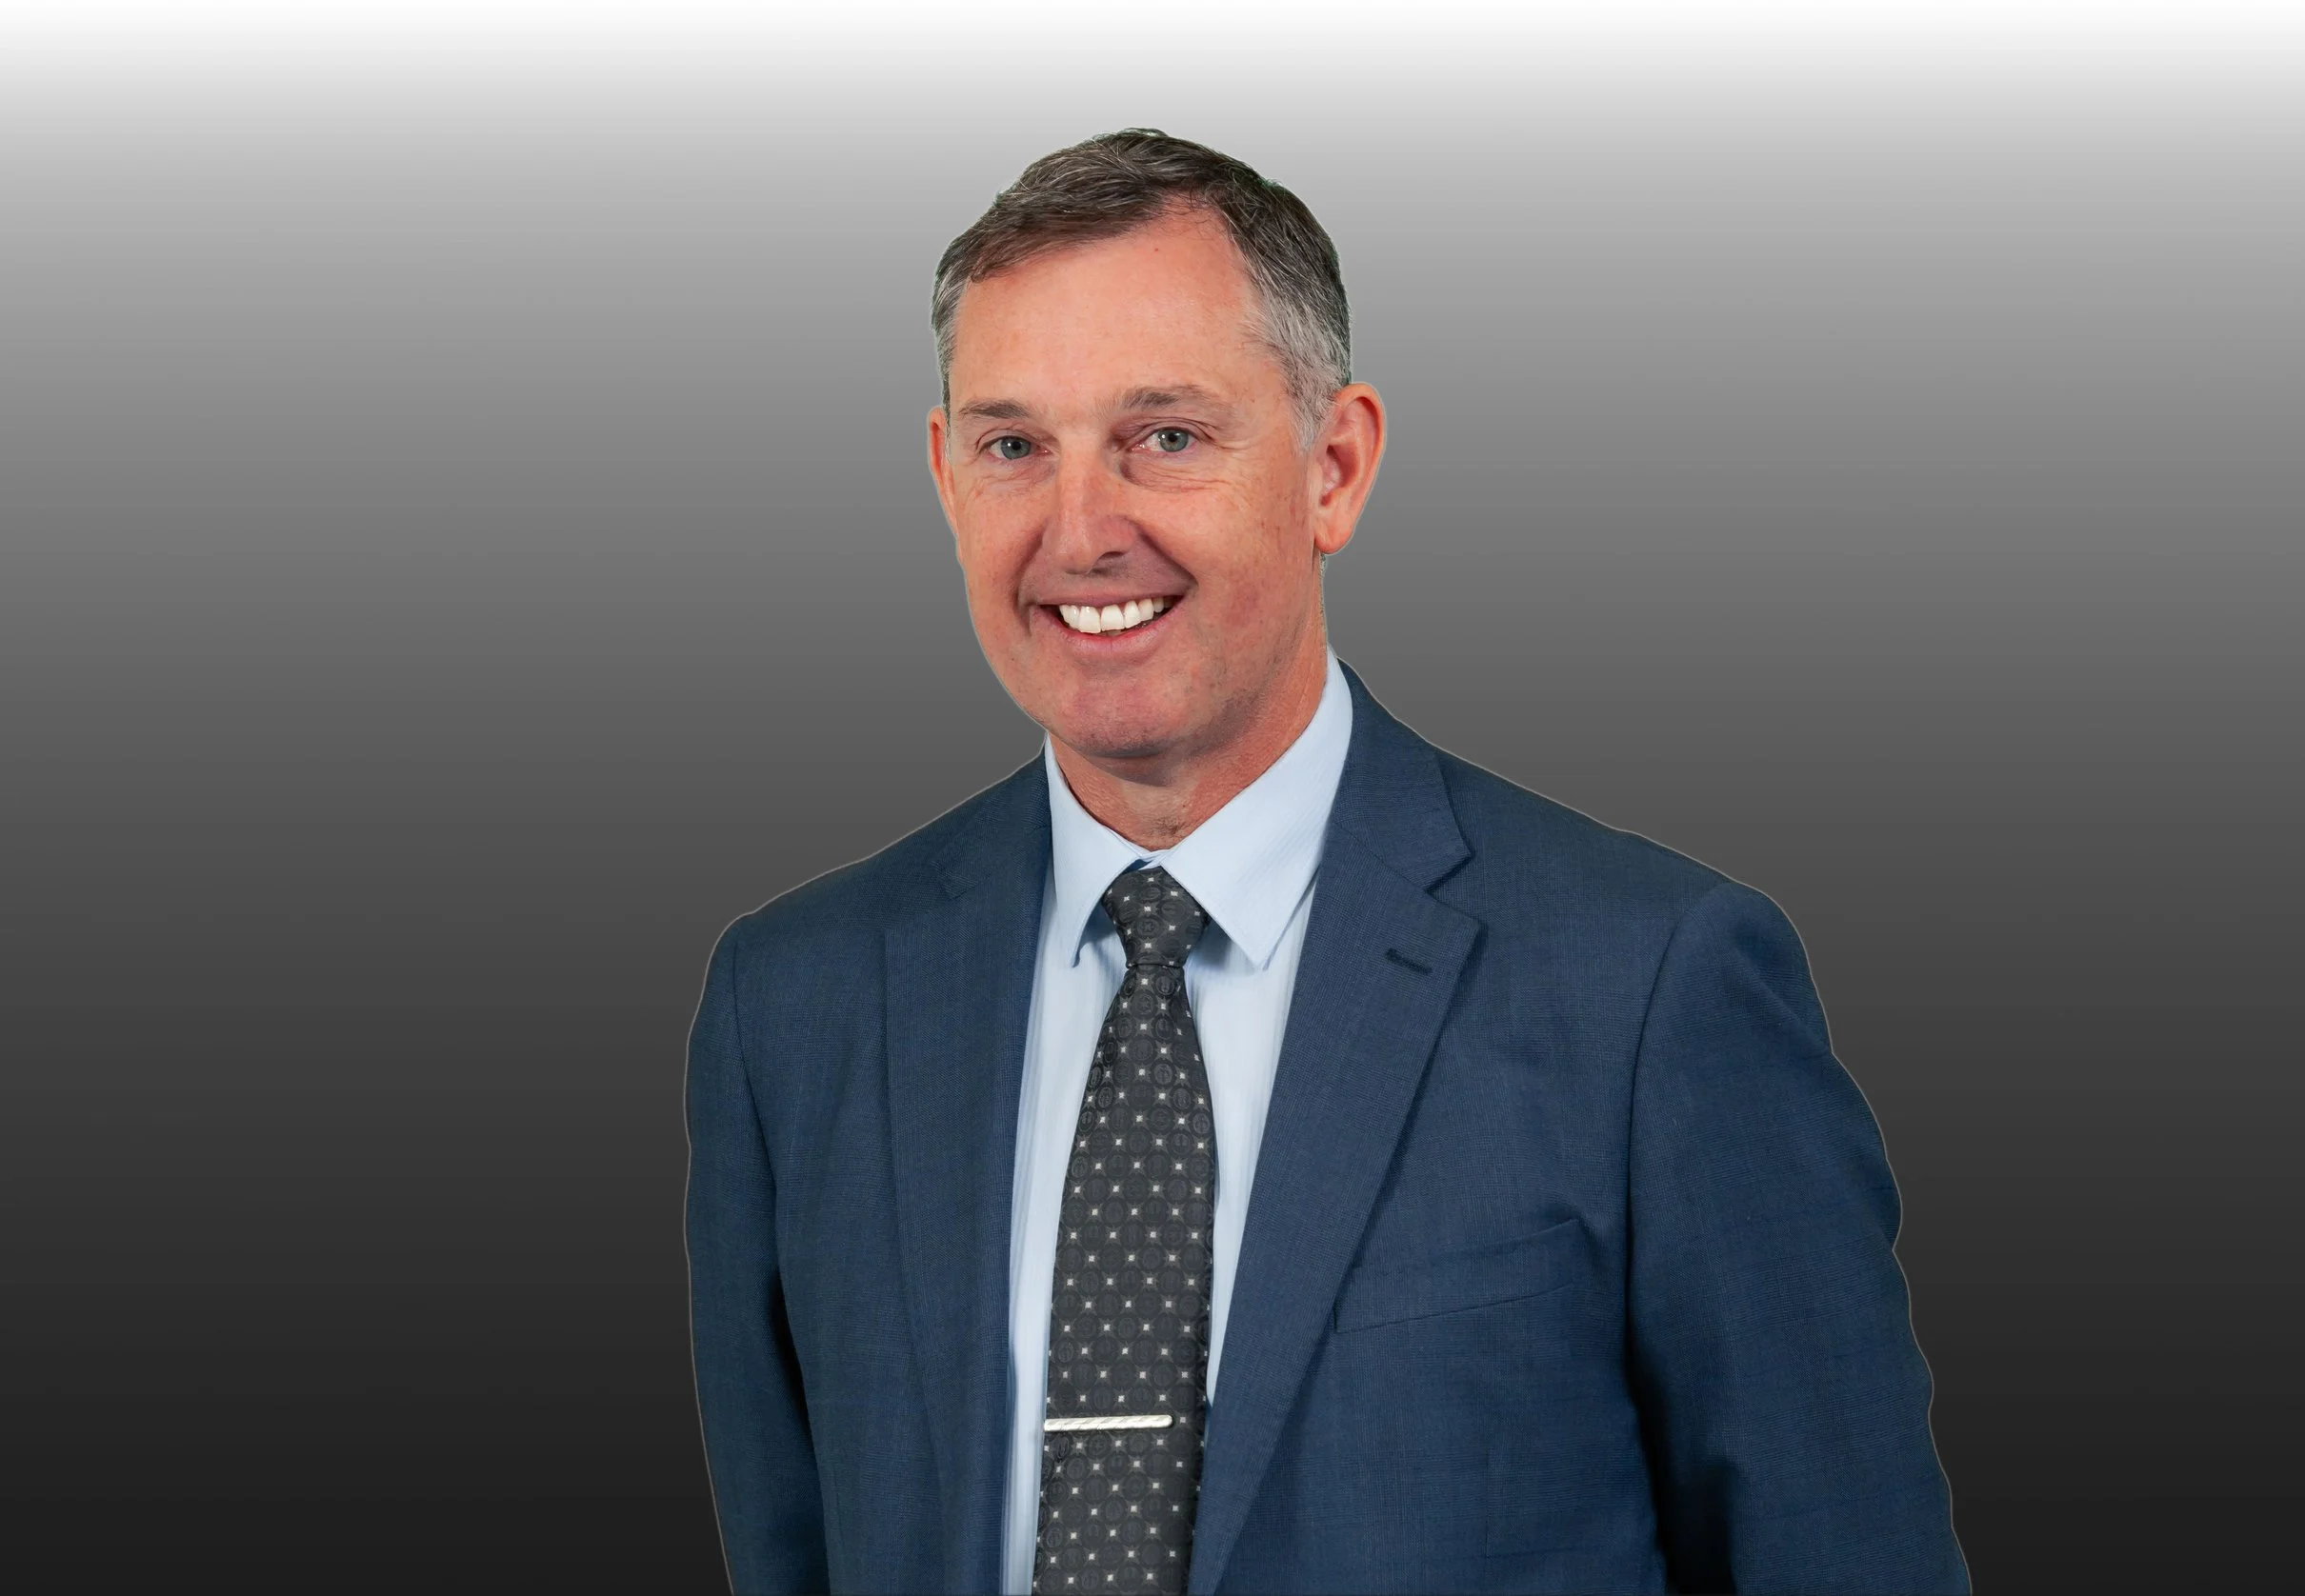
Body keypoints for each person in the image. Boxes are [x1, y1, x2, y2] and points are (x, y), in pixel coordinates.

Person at [685, 129, 1966, 1595]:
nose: (1081, 532)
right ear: (945, 478)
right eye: (1014, 447)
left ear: (1334, 469)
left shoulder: (1649, 990)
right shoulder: (798, 1008)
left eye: (1166, 436)